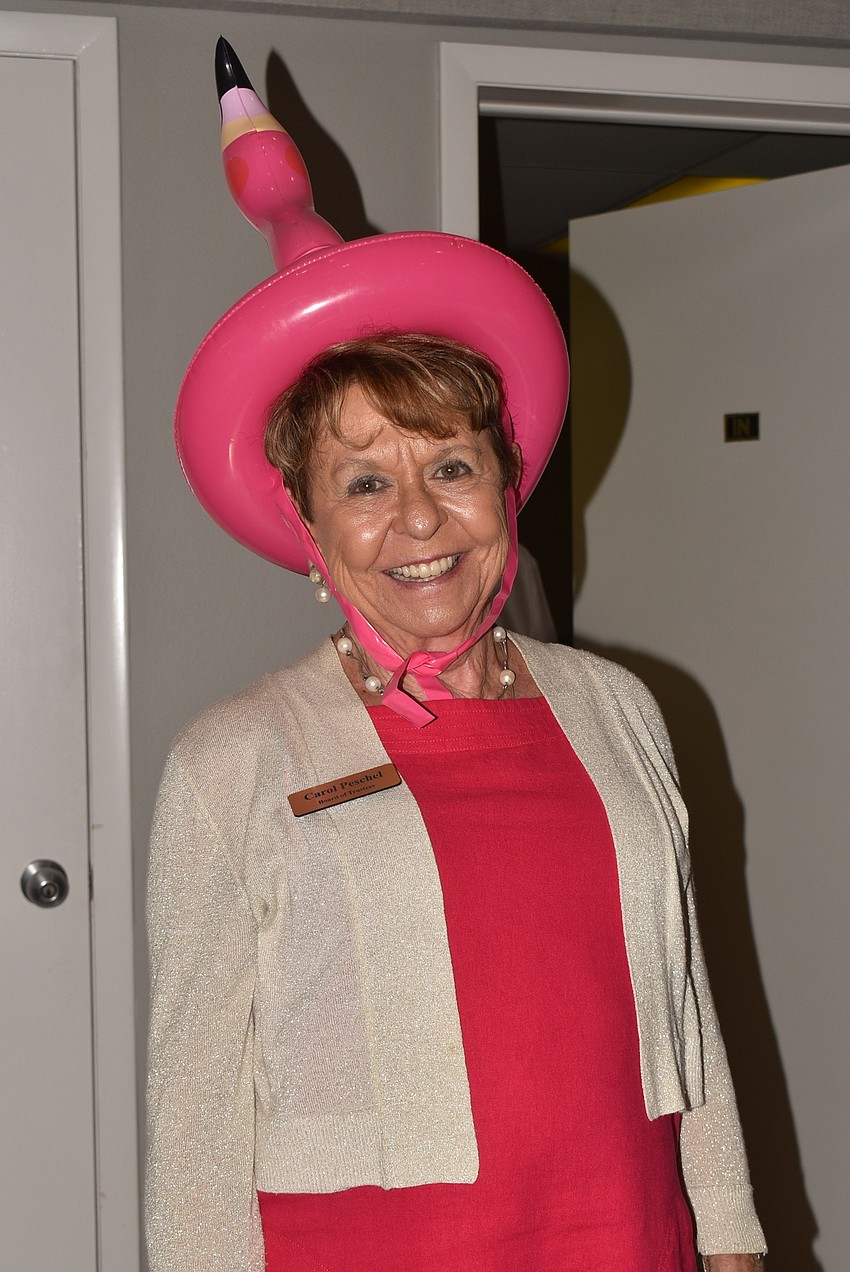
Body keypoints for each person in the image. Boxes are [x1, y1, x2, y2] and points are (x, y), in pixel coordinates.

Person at [146, 40, 767, 1272]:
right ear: (309, 528)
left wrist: (733, 1233)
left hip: (626, 1236)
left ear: (506, 484)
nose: (419, 519)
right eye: (363, 483)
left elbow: (684, 1003)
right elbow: (195, 1119)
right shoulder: (234, 759)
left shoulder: (619, 708)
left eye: (449, 466)